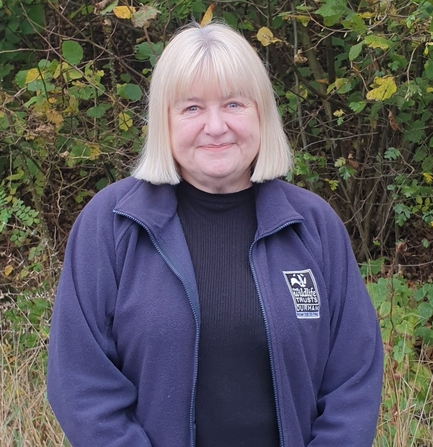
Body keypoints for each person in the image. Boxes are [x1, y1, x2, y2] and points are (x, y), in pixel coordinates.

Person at [47, 21, 383, 447]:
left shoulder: (313, 225)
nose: (216, 126)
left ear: (261, 113)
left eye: (234, 105)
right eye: (191, 108)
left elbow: (353, 378)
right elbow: (80, 383)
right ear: (163, 123)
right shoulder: (112, 223)